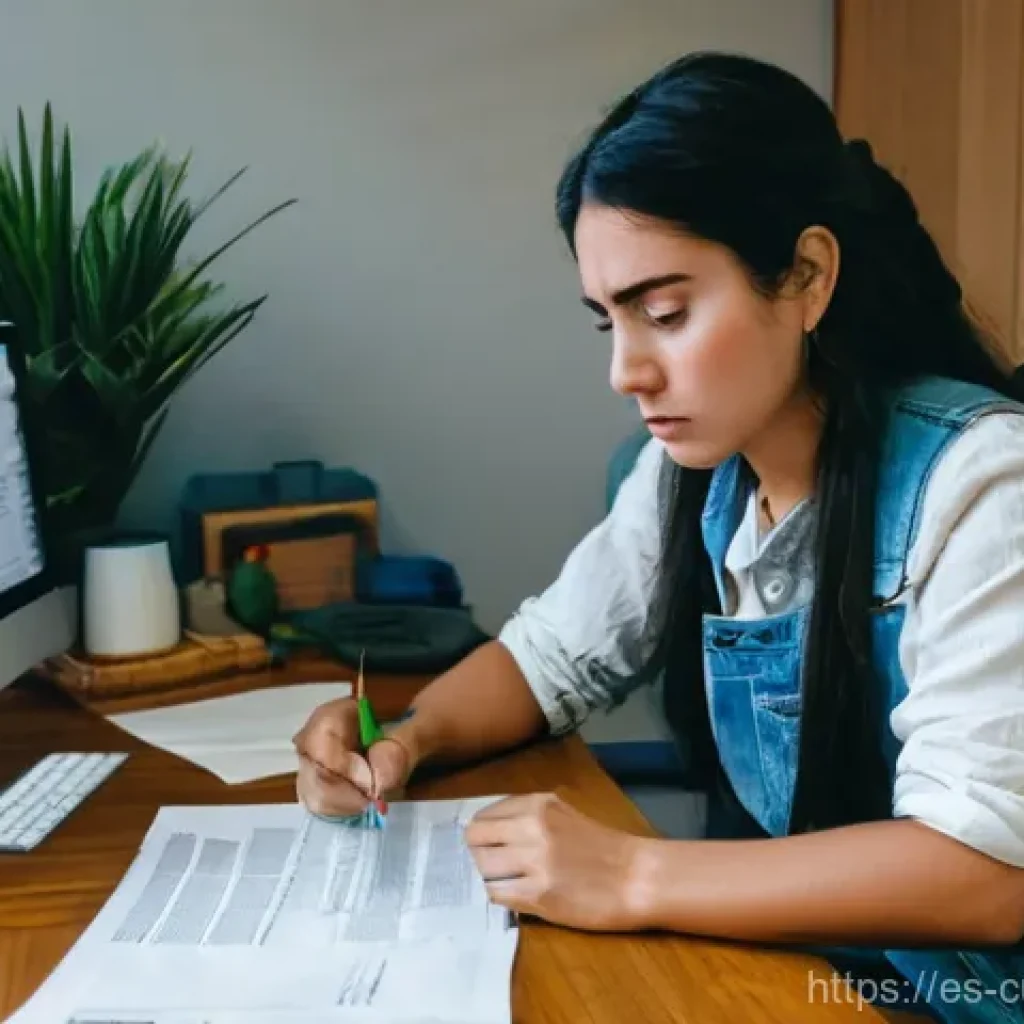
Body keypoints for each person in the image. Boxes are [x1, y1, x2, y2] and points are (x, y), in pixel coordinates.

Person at [293, 52, 1024, 1023]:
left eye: (665, 313)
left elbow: (984, 871)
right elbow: (551, 657)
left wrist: (630, 873)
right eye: (608, 321)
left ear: (806, 275)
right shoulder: (695, 473)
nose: (625, 370)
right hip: (842, 979)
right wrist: (408, 737)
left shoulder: (981, 484)